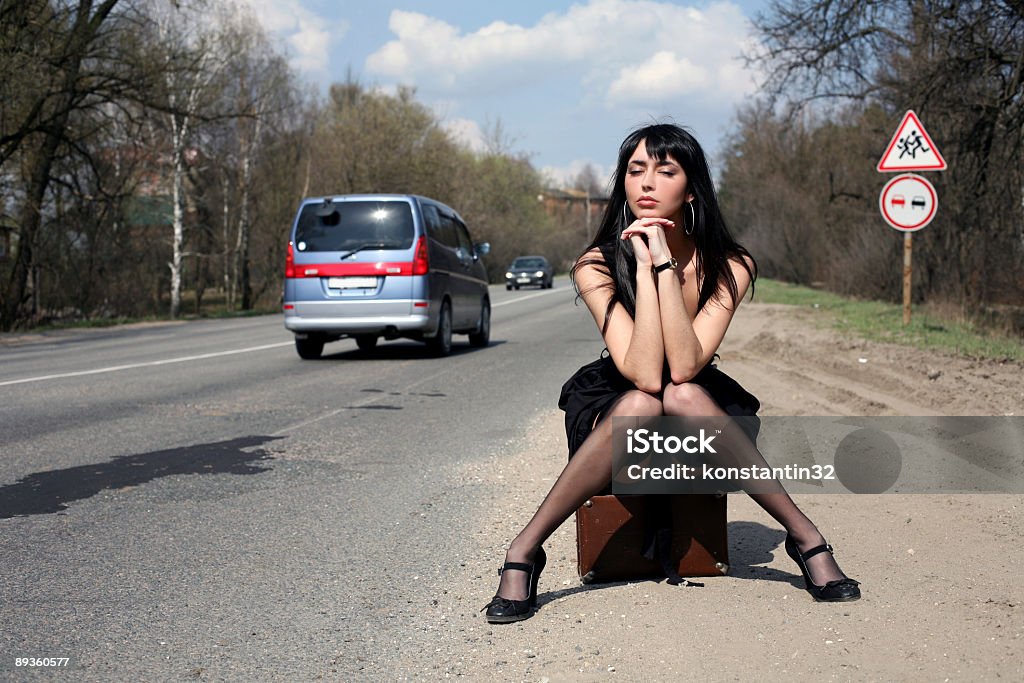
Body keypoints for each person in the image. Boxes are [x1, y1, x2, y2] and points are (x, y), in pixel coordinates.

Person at [482, 124, 860, 624]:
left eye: (666, 170)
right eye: (636, 171)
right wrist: (641, 266)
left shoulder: (729, 264)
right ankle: (526, 549)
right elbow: (642, 373)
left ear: (692, 188)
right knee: (645, 402)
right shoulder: (595, 265)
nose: (647, 183)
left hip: (697, 401)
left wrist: (665, 264)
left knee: (681, 395)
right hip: (620, 400)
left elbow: (684, 366)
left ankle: (804, 537)